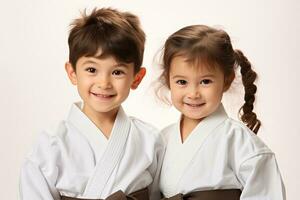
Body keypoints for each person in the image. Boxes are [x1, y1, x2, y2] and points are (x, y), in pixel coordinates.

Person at [20, 8, 164, 200]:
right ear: (72, 73)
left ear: (137, 78)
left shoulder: (150, 140)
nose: (104, 83)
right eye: (91, 69)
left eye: (117, 72)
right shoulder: (50, 145)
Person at [157, 25, 286, 200]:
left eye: (205, 81)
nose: (193, 93)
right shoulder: (162, 139)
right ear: (168, 81)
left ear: (226, 81)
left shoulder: (240, 142)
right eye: (181, 82)